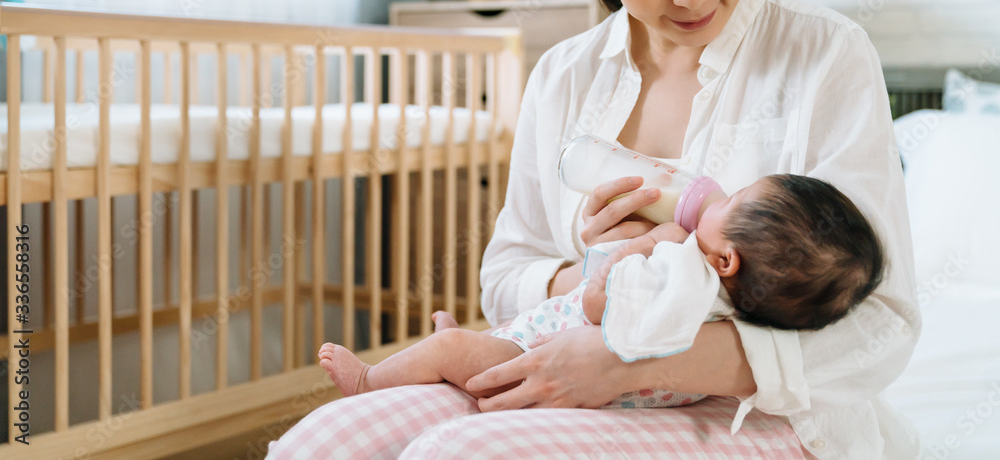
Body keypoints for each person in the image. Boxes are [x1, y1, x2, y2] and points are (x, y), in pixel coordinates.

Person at [268, 0, 920, 457]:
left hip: (757, 408)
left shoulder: (826, 55)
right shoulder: (563, 75)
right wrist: (597, 269)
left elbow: (881, 326)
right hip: (560, 350)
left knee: (456, 452)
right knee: (323, 442)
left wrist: (640, 360)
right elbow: (505, 275)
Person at [317, 174, 885, 407]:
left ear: (726, 258)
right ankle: (453, 350)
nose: (720, 196)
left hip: (533, 358)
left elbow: (595, 306)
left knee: (454, 351)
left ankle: (371, 380)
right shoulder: (728, 306)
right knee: (472, 339)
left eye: (731, 203)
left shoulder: (682, 277)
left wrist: (637, 248)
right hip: (532, 338)